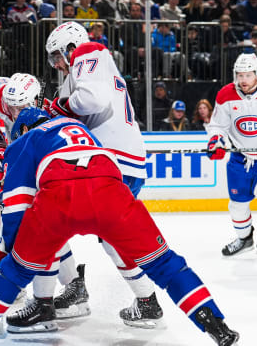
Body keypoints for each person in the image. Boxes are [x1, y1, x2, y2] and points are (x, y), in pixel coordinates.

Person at [0, 108, 240, 346]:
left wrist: (9, 255)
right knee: (166, 263)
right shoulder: (81, 128)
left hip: (60, 198)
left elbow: (16, 207)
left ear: (25, 127)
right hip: (111, 192)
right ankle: (217, 326)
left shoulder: (25, 140)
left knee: (16, 270)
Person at [45, 22, 163, 329]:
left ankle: (81, 289)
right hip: (116, 162)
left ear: (71, 47)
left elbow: (92, 102)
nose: (56, 64)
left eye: (57, 55)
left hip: (113, 163)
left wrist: (60, 106)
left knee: (48, 216)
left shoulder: (87, 52)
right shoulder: (89, 67)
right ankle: (142, 299)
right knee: (105, 234)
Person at [0, 73, 92, 332]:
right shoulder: (6, 105)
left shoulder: (41, 115)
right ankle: (61, 288)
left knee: (44, 230)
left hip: (53, 176)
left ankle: (53, 294)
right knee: (12, 226)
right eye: (9, 106)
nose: (13, 111)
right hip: (38, 171)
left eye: (18, 106)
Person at [206, 53, 257, 256]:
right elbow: (218, 126)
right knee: (237, 204)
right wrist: (216, 141)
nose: (243, 80)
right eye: (240, 75)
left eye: (248, 75)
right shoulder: (226, 94)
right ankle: (244, 239)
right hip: (241, 158)